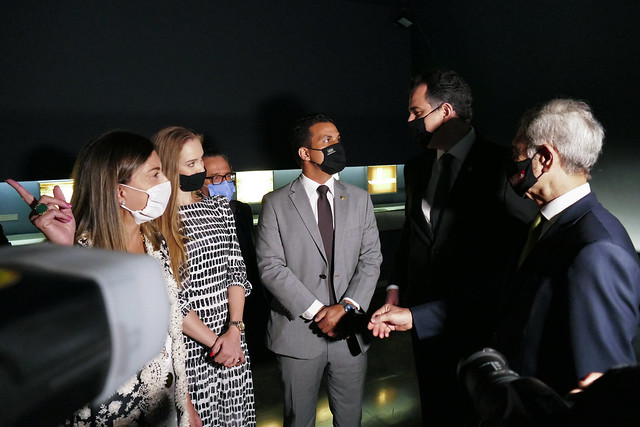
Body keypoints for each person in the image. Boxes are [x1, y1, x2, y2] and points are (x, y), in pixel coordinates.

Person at [370, 99, 640, 397]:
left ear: (545, 158)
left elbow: (605, 392)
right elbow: (498, 297)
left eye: (516, 153)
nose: (511, 162)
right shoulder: (541, 226)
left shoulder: (598, 250)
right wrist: (414, 317)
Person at [375, 68, 535, 424]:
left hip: (478, 328)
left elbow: (513, 259)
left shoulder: (502, 165)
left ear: (446, 111)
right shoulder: (416, 168)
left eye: (417, 112)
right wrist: (396, 287)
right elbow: (412, 236)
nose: (410, 121)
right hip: (420, 326)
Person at [6, 130, 191, 426]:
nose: (165, 182)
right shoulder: (80, 252)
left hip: (164, 409)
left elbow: (171, 334)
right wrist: (65, 252)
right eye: (155, 174)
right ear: (120, 192)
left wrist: (185, 404)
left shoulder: (155, 241)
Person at [255, 113, 382, 427]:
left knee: (351, 418)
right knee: (299, 420)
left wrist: (346, 307)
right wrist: (319, 312)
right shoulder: (275, 203)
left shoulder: (360, 199)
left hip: (350, 333)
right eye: (327, 140)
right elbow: (270, 266)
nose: (336, 145)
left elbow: (371, 259)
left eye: (338, 139)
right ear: (305, 152)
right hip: (296, 336)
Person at [153, 126, 256, 427]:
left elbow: (236, 271)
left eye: (200, 160)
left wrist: (234, 329)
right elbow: (169, 297)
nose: (201, 168)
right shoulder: (154, 223)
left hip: (232, 340)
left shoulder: (220, 208)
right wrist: (216, 343)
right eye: (192, 163)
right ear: (168, 167)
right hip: (190, 350)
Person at [201, 149, 270, 360]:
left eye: (228, 176)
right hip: (215, 309)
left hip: (249, 299)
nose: (224, 182)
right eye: (215, 178)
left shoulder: (241, 210)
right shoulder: (194, 219)